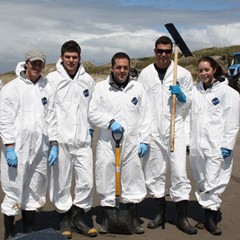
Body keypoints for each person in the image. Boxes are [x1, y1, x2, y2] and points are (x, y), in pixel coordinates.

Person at [138, 36, 197, 235]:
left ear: (171, 52)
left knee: (179, 172)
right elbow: (141, 105)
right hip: (154, 131)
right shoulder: (145, 74)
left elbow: (189, 103)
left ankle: (182, 217)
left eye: (166, 51)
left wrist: (181, 96)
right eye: (159, 51)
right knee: (156, 173)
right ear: (154, 51)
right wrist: (142, 135)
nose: (163, 55)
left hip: (176, 129)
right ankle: (159, 214)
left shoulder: (183, 73)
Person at [88, 52, 150, 234]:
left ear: (129, 68)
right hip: (108, 143)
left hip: (131, 143)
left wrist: (144, 140)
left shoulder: (137, 89)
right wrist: (110, 122)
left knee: (132, 179)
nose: (122, 71)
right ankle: (108, 220)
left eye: (125, 67)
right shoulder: (101, 88)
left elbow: (146, 116)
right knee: (106, 177)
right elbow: (92, 113)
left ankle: (132, 220)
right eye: (118, 67)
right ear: (112, 68)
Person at [0, 49, 58, 239]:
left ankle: (28, 233)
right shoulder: (12, 88)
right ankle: (9, 234)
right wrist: (9, 146)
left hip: (40, 148)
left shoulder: (46, 87)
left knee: (34, 189)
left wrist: (54, 143)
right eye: (33, 63)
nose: (36, 66)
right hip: (18, 148)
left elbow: (52, 118)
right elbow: (4, 119)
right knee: (13, 189)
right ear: (26, 63)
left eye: (40, 63)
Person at [46, 40, 97, 239]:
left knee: (86, 182)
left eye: (74, 57)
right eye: (67, 57)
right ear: (61, 57)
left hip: (83, 141)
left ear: (79, 58)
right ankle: (65, 219)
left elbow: (91, 109)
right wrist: (53, 141)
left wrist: (91, 130)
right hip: (61, 142)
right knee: (62, 182)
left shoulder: (88, 80)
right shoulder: (52, 79)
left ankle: (78, 217)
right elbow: (48, 111)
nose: (71, 60)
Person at [189, 56, 240, 235]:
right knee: (201, 180)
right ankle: (206, 215)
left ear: (215, 70)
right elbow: (188, 115)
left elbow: (232, 121)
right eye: (201, 70)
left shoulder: (229, 93)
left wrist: (228, 144)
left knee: (214, 182)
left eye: (207, 70)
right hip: (197, 146)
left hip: (216, 146)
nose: (203, 74)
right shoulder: (195, 91)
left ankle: (211, 220)